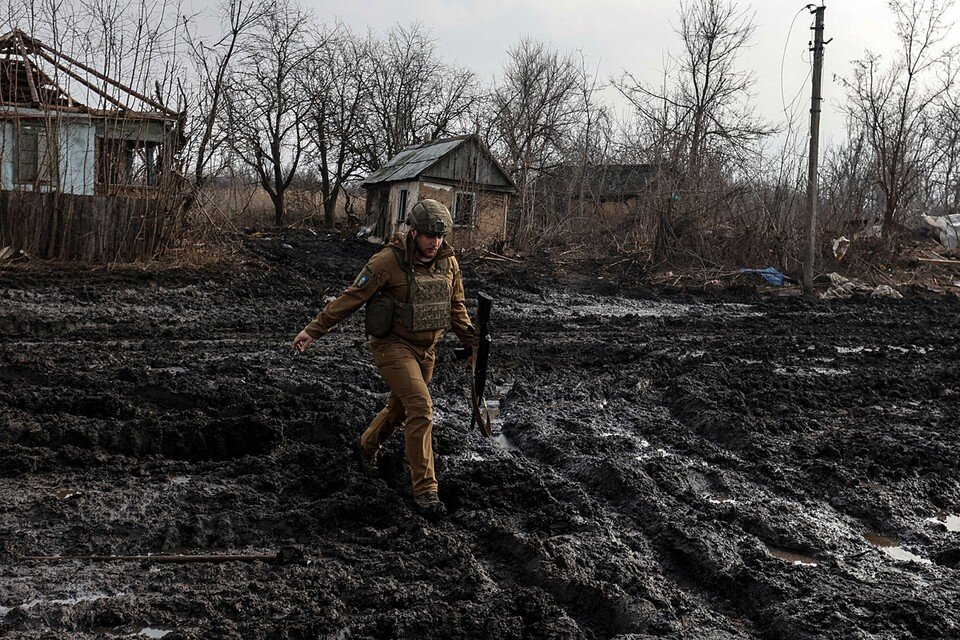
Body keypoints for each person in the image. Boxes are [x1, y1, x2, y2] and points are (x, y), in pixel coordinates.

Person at [293, 199, 476, 518]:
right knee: (421, 407)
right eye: (429, 236)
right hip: (392, 345)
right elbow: (352, 297)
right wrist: (314, 330)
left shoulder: (448, 263)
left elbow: (456, 306)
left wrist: (472, 342)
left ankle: (364, 448)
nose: (435, 243)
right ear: (414, 232)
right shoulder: (387, 261)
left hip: (427, 349)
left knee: (400, 407)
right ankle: (426, 492)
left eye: (441, 236)